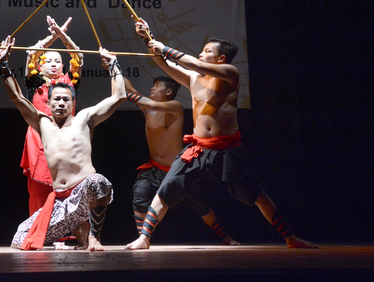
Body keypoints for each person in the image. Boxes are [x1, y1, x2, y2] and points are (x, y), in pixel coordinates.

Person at [125, 18, 316, 250]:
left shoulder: (229, 73)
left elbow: (195, 64)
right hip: (198, 148)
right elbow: (164, 64)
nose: (201, 53)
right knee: (166, 189)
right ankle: (144, 238)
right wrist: (148, 37)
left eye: (207, 51)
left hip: (226, 149)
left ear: (221, 58)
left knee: (258, 196)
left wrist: (164, 47)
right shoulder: (194, 78)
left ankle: (290, 239)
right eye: (202, 50)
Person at [0, 36, 125, 251]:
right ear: (48, 103)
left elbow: (118, 97)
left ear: (73, 102)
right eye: (56, 99)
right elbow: (17, 98)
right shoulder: (42, 123)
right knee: (20, 239)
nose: (61, 103)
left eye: (66, 100)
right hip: (60, 201)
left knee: (98, 181)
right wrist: (3, 63)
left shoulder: (85, 119)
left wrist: (113, 64)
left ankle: (94, 237)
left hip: (82, 194)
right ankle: (76, 227)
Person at [125, 75, 239, 245]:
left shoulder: (175, 106)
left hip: (176, 170)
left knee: (200, 206)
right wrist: (113, 67)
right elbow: (130, 89)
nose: (152, 88)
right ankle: (143, 238)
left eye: (157, 85)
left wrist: (124, 94)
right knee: (140, 195)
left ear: (169, 92)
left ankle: (225, 237)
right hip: (154, 168)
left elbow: (143, 100)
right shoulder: (148, 109)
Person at [21, 15, 83, 216]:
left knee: (68, 188)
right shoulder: (35, 81)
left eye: (58, 61)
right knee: (39, 191)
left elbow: (78, 56)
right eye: (48, 61)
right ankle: (38, 228)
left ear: (63, 67)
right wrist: (53, 37)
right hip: (39, 138)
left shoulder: (69, 82)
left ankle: (65, 229)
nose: (53, 64)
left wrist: (63, 36)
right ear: (40, 67)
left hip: (65, 137)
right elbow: (31, 53)